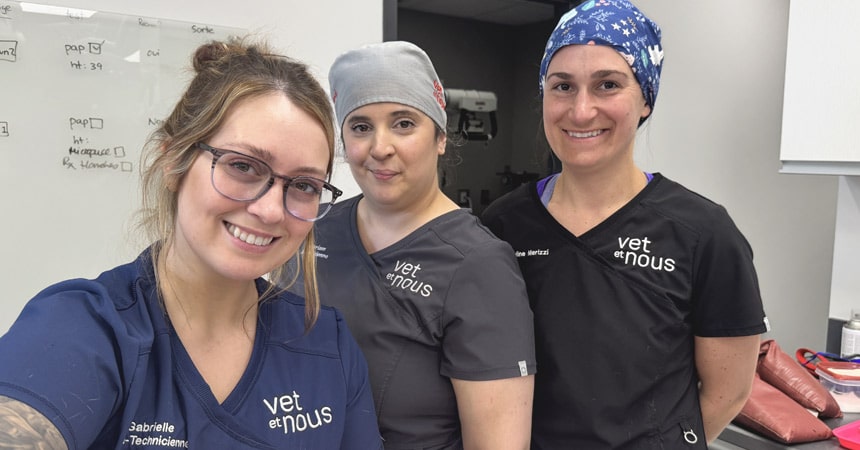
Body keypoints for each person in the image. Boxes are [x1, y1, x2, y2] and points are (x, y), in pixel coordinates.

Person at [0, 38, 382, 449]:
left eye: (304, 185)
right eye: (243, 166)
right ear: (173, 162)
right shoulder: (86, 328)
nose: (272, 210)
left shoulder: (326, 343)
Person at [481, 1, 769, 448]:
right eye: (563, 86)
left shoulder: (702, 234)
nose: (581, 111)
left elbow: (728, 391)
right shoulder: (503, 224)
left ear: (645, 99)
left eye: (608, 85)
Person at [316, 41, 536, 449]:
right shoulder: (315, 229)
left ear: (440, 137)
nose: (380, 147)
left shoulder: (478, 263)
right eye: (360, 127)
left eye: (403, 124)